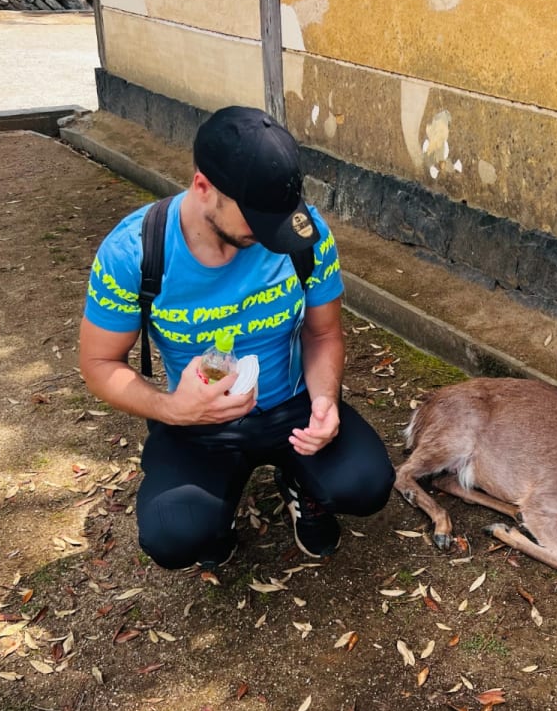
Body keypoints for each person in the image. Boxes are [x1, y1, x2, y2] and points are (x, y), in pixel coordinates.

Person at [78, 105, 395, 569]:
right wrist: (174, 409)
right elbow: (99, 366)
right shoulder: (133, 253)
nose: (274, 237)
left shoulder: (304, 237)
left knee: (366, 483)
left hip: (292, 407)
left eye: (281, 218)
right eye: (258, 220)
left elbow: (323, 332)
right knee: (175, 535)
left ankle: (302, 485)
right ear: (204, 188)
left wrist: (324, 400)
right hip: (197, 420)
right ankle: (215, 516)